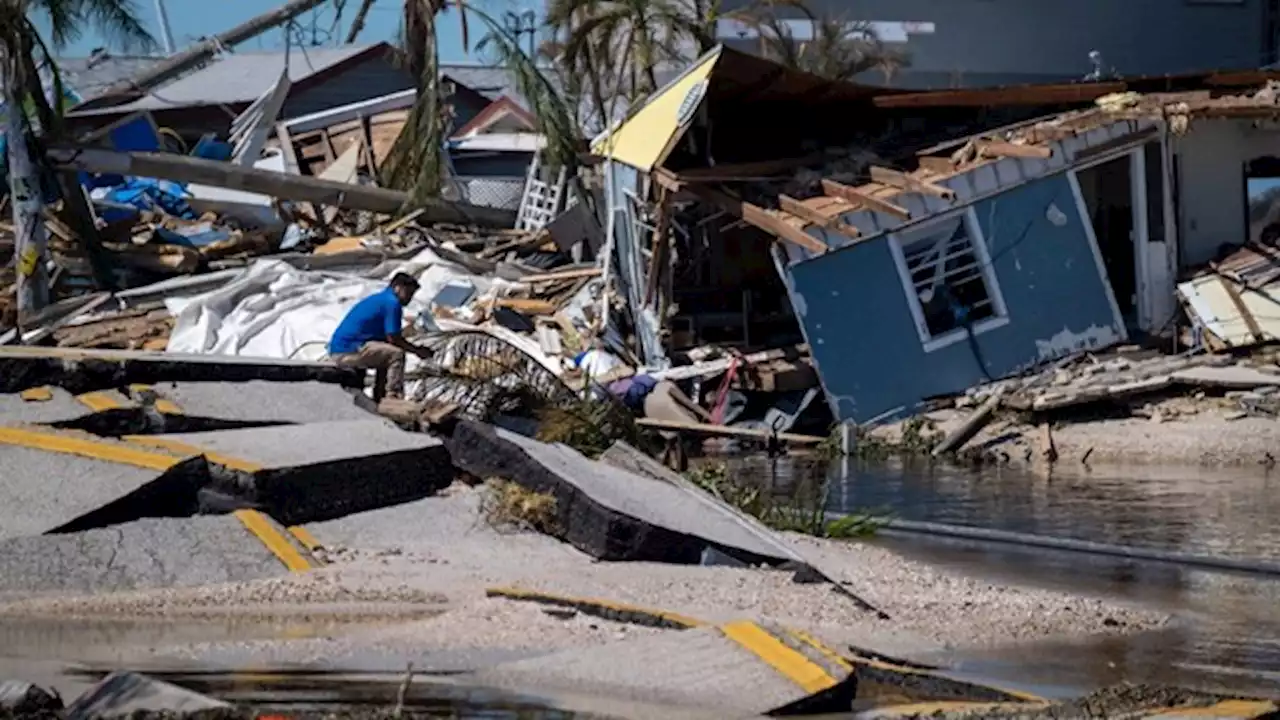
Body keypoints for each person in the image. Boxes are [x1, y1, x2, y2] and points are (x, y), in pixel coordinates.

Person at [329, 272, 432, 401]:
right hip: (348, 351)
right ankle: (393, 397)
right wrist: (417, 351)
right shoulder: (392, 303)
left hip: (341, 350)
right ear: (398, 288)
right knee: (396, 354)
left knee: (386, 353)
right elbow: (394, 339)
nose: (409, 299)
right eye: (408, 293)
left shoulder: (380, 298)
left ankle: (380, 395)